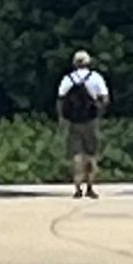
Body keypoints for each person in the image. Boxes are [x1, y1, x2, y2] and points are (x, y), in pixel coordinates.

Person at [56, 49, 109, 198]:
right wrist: (98, 113)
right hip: (91, 121)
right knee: (91, 154)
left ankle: (77, 187)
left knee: (76, 154)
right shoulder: (96, 78)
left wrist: (62, 117)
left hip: (73, 122)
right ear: (88, 62)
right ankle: (90, 186)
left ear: (74, 63)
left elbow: (60, 99)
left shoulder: (68, 79)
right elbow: (105, 98)